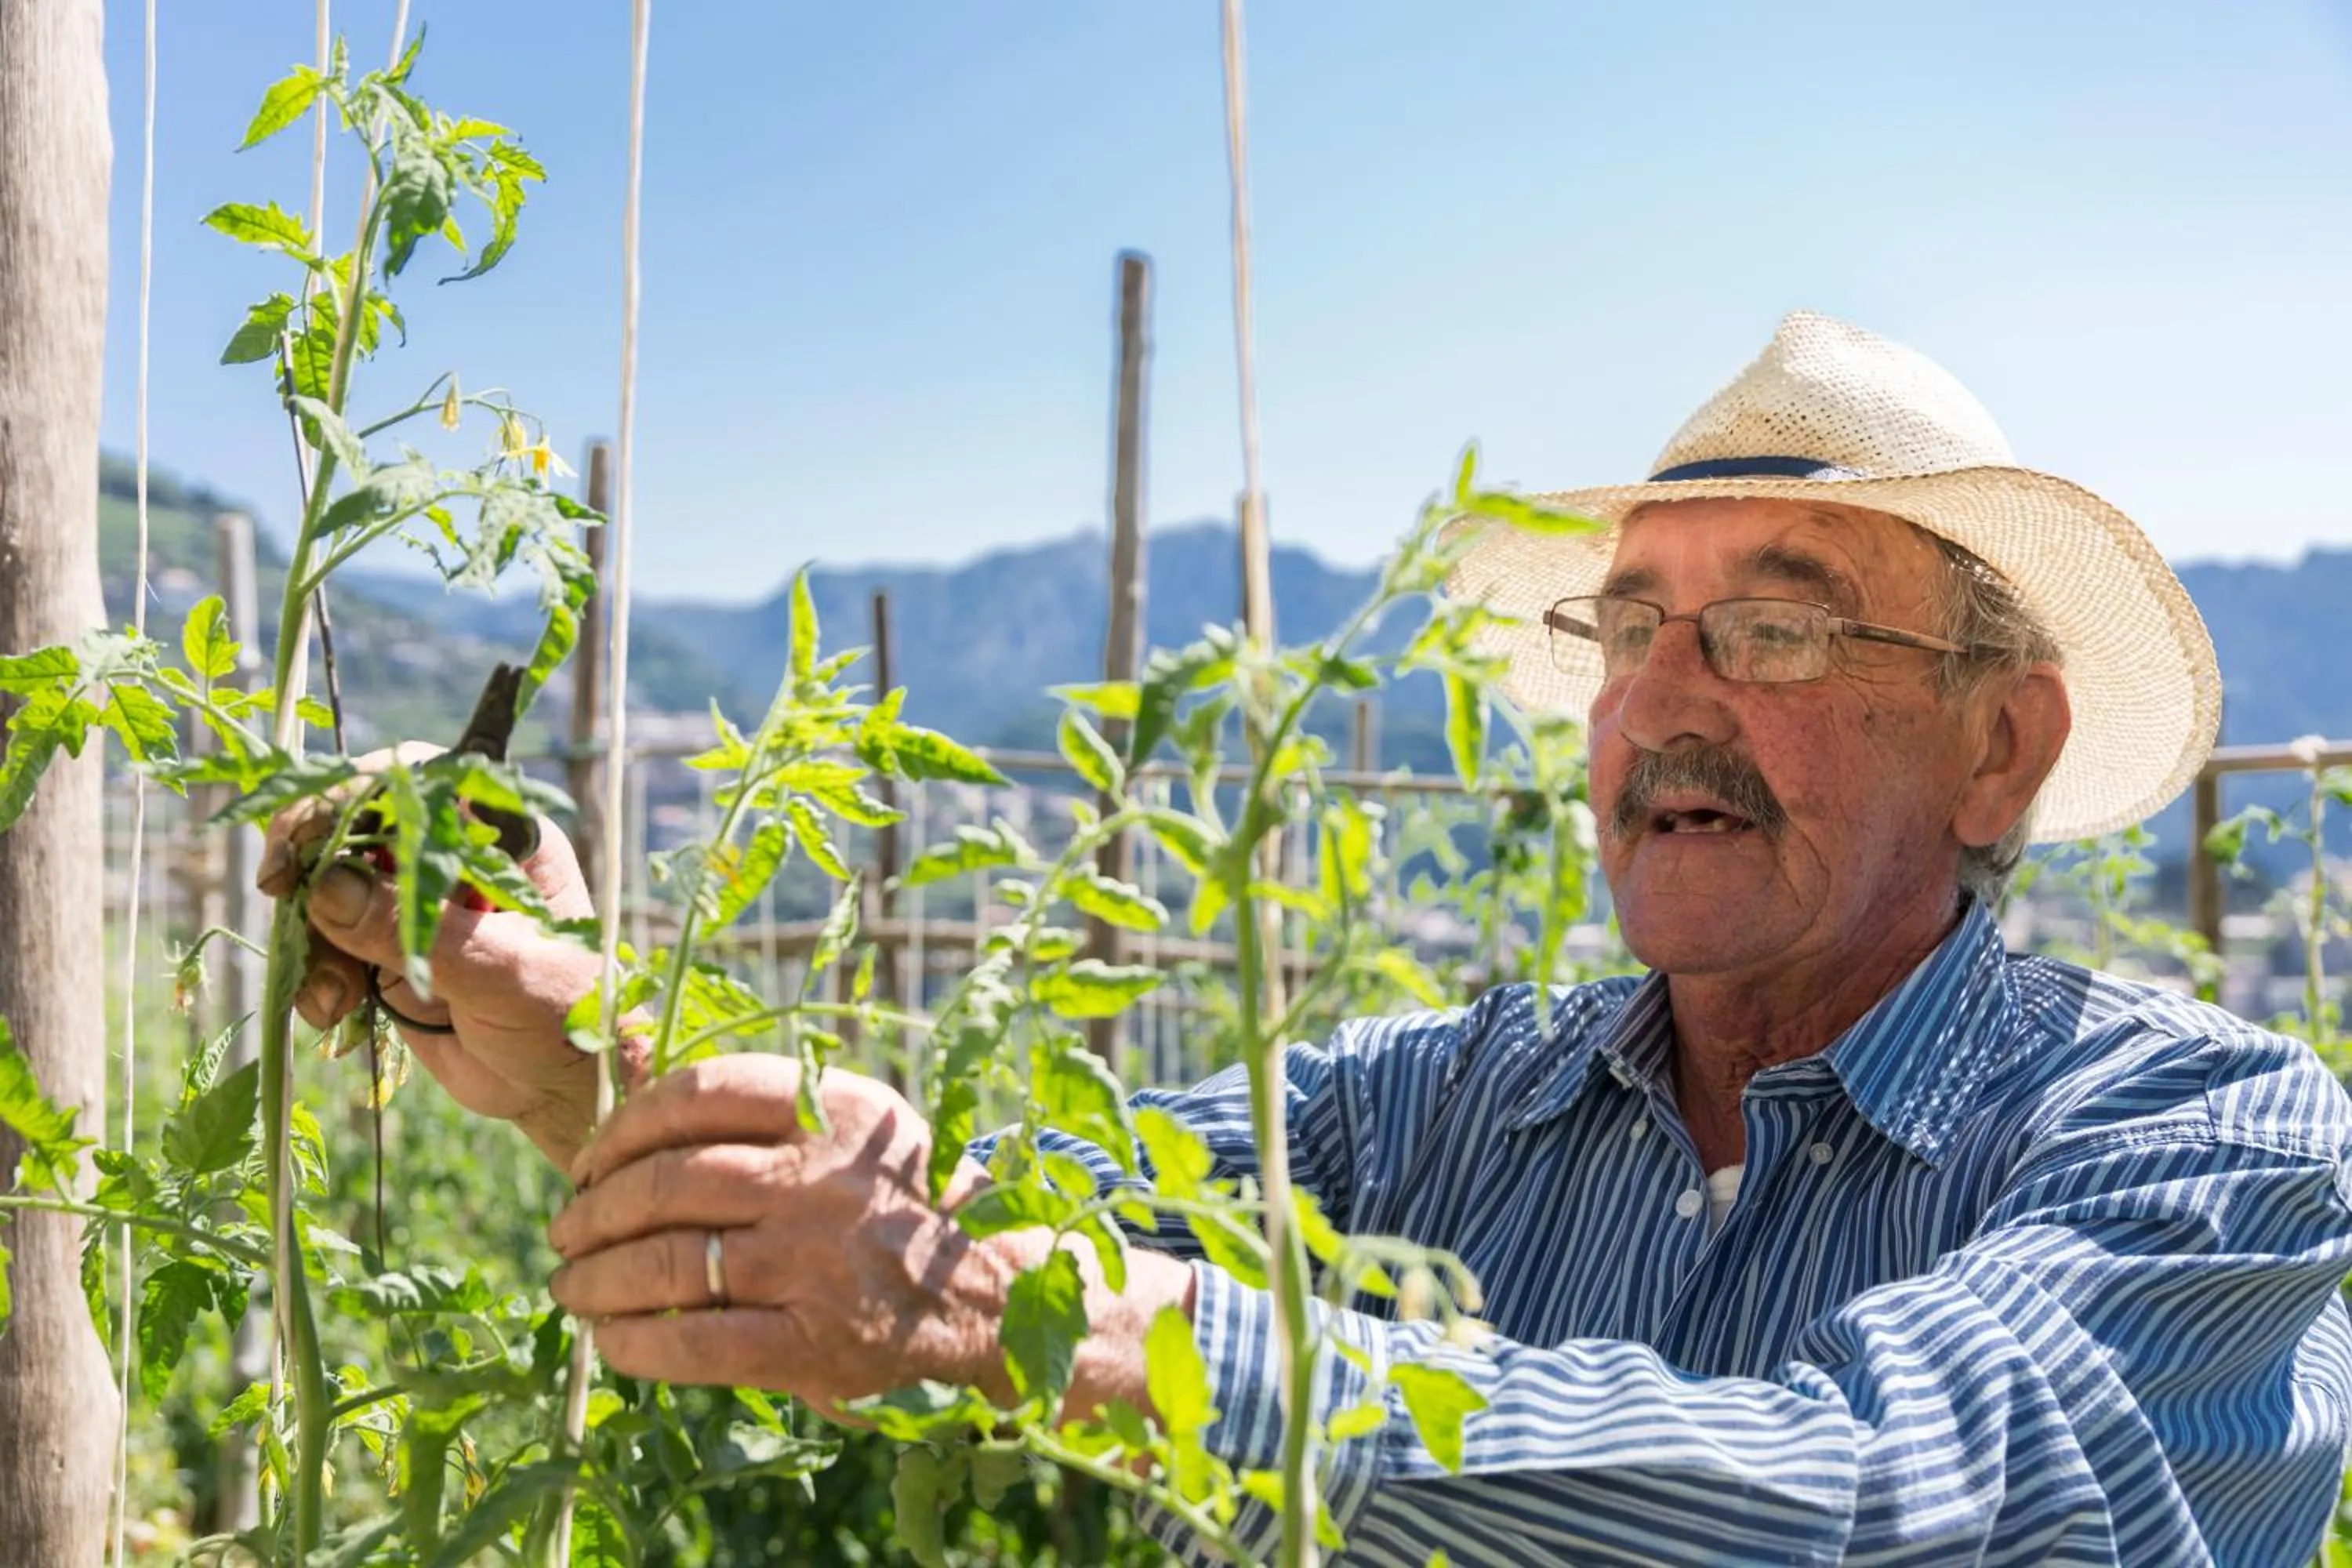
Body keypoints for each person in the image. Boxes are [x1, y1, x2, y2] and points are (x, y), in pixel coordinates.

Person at [267, 312, 2352, 1566]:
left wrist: (1042, 1331)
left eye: (1778, 625)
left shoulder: (2207, 1136)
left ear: (2003, 749)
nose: (1667, 699)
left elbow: (1895, 1507)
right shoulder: (1443, 1105)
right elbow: (949, 1230)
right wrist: (586, 1044)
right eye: (1628, 630)